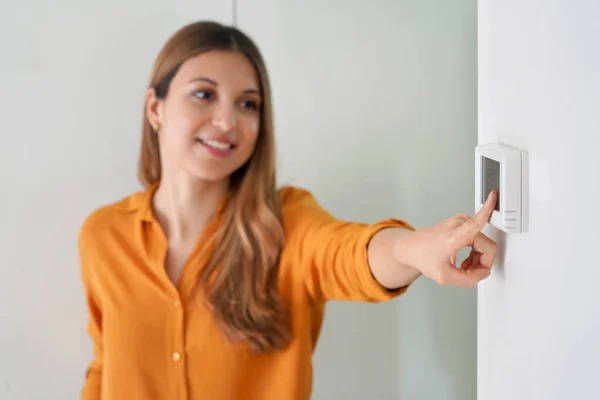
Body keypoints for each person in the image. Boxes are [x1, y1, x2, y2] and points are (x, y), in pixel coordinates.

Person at [78, 20, 497, 400]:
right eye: (204, 94)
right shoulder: (103, 236)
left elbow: (344, 253)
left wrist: (412, 250)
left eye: (248, 104)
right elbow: (105, 366)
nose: (227, 121)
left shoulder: (284, 222)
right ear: (156, 108)